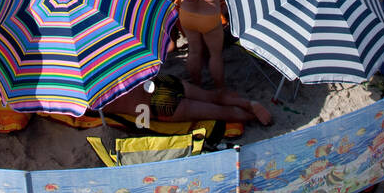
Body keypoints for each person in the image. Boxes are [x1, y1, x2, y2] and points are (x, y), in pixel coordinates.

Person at [153, 0, 226, 89]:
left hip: (189, 17)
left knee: (193, 52)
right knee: (215, 55)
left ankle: (197, 83)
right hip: (210, 18)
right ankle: (219, 87)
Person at [105, 74, 273, 127]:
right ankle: (248, 103)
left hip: (157, 105)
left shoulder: (89, 94)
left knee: (220, 113)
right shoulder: (110, 61)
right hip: (161, 82)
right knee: (211, 96)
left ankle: (251, 116)